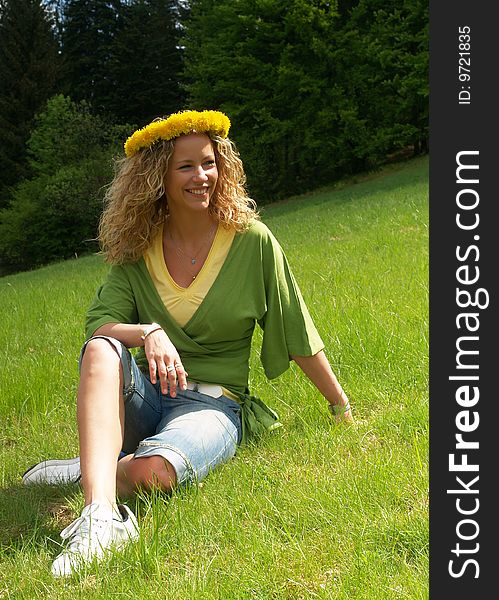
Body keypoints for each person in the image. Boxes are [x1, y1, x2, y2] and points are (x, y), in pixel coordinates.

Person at [23, 110, 353, 577]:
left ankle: (91, 467)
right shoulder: (138, 248)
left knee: (152, 475)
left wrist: (341, 406)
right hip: (148, 396)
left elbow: (296, 329)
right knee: (103, 349)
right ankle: (101, 518)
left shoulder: (252, 241)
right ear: (157, 176)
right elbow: (99, 326)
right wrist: (148, 332)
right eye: (186, 166)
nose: (203, 177)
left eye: (209, 163)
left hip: (212, 407)